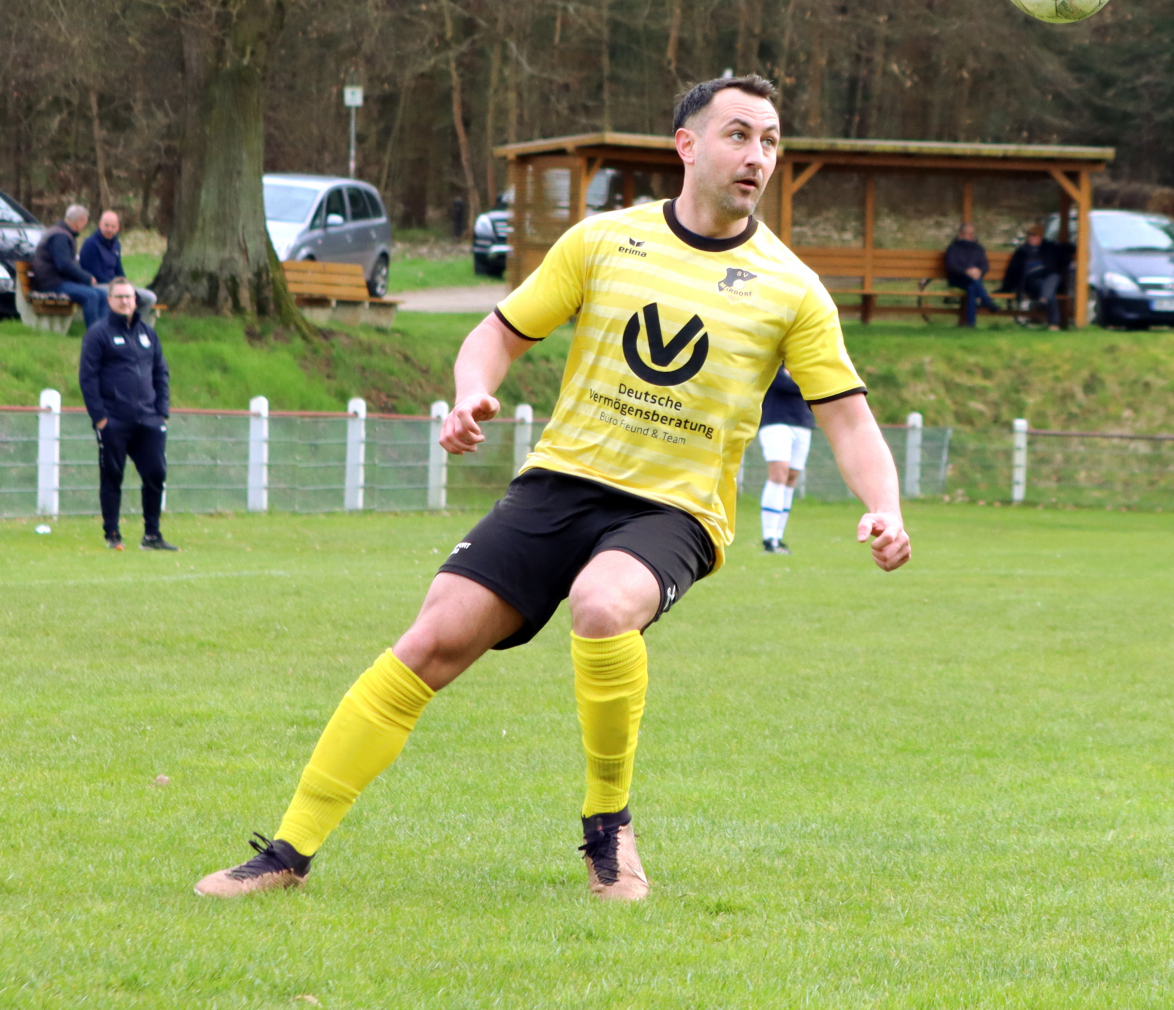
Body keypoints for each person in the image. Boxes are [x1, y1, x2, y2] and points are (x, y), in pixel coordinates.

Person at [194, 73, 911, 904]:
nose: (759, 155)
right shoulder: (605, 241)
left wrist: (884, 508)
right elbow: (495, 336)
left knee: (603, 605)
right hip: (559, 483)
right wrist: (470, 394)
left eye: (771, 141)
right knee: (430, 640)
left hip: (674, 509)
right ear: (687, 145)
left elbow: (848, 419)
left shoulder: (791, 287)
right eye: (739, 135)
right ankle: (286, 854)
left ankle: (609, 827)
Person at [78, 277, 177, 552]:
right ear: (109, 300)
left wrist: (162, 412)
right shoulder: (98, 334)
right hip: (114, 420)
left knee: (155, 473)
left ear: (136, 300)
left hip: (149, 419)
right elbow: (88, 378)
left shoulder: (148, 334)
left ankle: (152, 536)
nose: (125, 301)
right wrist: (100, 418)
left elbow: (161, 373)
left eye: (129, 297)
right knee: (112, 476)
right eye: (119, 297)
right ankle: (113, 534)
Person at [758, 366, 814, 554]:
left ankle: (778, 537)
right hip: (776, 420)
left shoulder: (805, 362)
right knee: (778, 473)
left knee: (791, 477)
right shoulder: (774, 363)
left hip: (802, 422)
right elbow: (785, 384)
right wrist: (807, 383)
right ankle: (769, 538)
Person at [30, 204, 106, 327]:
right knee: (91, 296)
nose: (84, 226)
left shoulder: (62, 233)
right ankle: (94, 333)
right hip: (52, 283)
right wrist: (87, 278)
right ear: (79, 221)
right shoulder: (60, 237)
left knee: (103, 295)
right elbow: (64, 265)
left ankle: (103, 331)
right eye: (85, 222)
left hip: (59, 281)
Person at [78, 210, 157, 313]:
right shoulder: (90, 244)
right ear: (100, 225)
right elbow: (95, 273)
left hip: (115, 285)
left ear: (118, 227)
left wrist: (127, 285)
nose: (109, 229)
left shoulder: (116, 244)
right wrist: (118, 286)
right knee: (119, 295)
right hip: (97, 285)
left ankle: (138, 323)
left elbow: (118, 269)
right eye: (106, 225)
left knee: (149, 298)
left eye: (113, 226)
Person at [1000, 222, 1073, 331]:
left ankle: (1044, 300)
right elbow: (1012, 271)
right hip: (1030, 280)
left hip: (1047, 276)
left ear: (1040, 237)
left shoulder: (1049, 247)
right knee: (1050, 290)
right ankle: (1053, 322)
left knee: (1054, 277)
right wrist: (1007, 287)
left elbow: (1068, 249)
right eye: (1030, 235)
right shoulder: (1022, 251)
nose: (1031, 237)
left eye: (1034, 235)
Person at [943, 222, 998, 327]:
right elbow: (951, 266)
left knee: (972, 287)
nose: (970, 236)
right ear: (960, 234)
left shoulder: (978, 248)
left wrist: (979, 271)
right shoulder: (953, 248)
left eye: (972, 233)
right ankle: (986, 301)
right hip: (958, 279)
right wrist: (966, 271)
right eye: (967, 233)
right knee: (972, 282)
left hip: (975, 279)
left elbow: (985, 265)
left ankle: (971, 323)